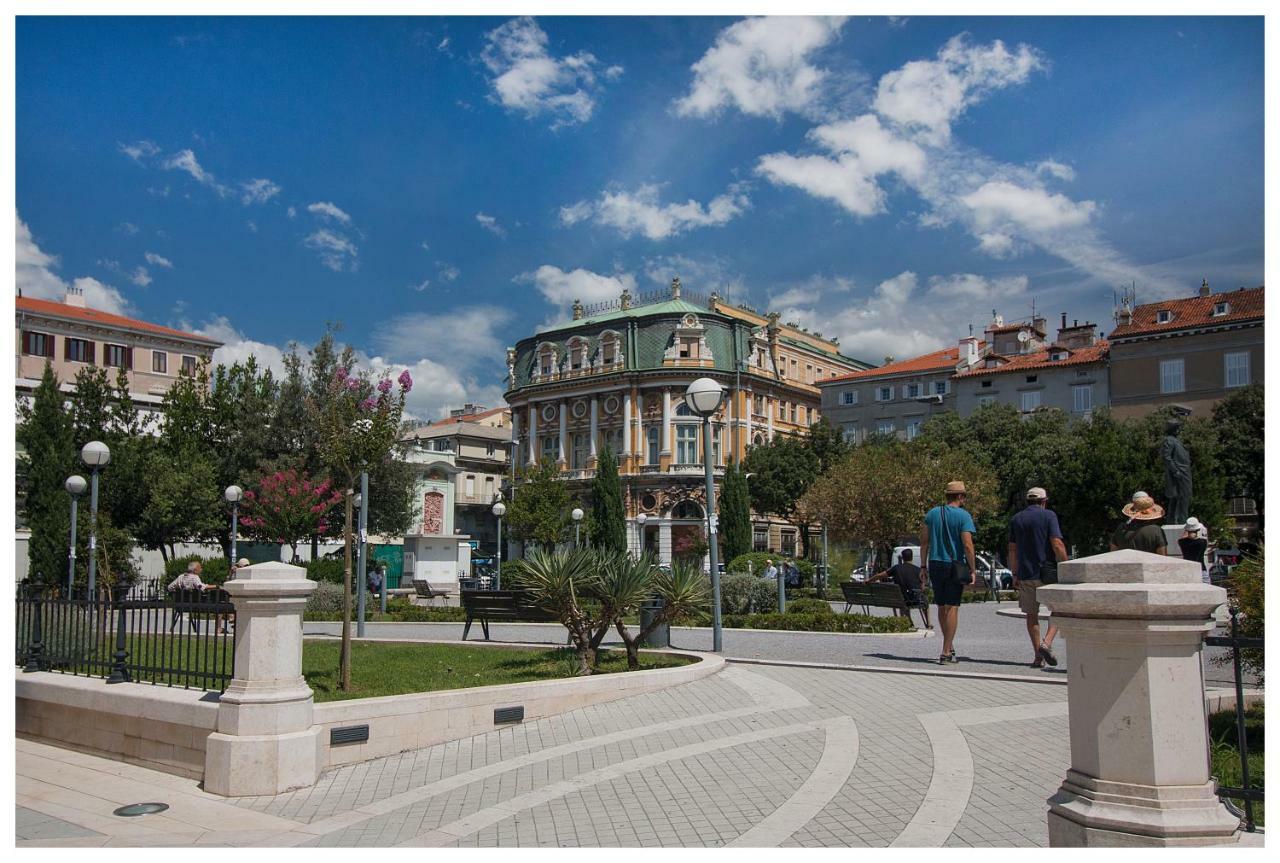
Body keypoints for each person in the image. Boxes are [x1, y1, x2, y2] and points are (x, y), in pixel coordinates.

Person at [1008, 487, 1067, 668]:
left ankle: (1037, 656)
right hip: (1047, 572)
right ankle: (1046, 643)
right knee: (1060, 609)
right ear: (1043, 501)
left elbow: (1012, 549)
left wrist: (1015, 573)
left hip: (1025, 573)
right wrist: (1066, 565)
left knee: (1031, 615)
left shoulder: (1016, 519)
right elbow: (1056, 543)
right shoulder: (1049, 516)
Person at [919, 480, 977, 664]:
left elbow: (924, 542)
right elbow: (967, 545)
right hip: (953, 564)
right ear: (960, 496)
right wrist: (973, 568)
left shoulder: (932, 514)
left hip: (935, 563)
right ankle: (945, 650)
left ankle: (949, 645)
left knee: (941, 606)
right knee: (952, 607)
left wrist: (922, 566)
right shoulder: (963, 516)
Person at [870, 548, 930, 630]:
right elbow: (922, 588)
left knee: (903, 598)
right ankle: (928, 623)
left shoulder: (896, 568)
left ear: (902, 558)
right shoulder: (918, 570)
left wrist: (868, 581)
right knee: (924, 600)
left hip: (900, 599)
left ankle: (907, 622)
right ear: (911, 557)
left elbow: (879, 576)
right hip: (914, 599)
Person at [167, 561, 207, 633]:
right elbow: (201, 587)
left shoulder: (181, 576)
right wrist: (215, 586)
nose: (201, 569)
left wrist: (177, 588)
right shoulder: (195, 577)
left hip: (180, 604)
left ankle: (172, 629)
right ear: (195, 570)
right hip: (194, 605)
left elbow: (169, 587)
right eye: (200, 568)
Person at [1178, 517, 1209, 582]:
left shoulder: (1181, 542)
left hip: (1188, 570)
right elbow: (1201, 538)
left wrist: (1187, 530)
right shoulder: (1203, 542)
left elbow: (1183, 537)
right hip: (1201, 570)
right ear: (1198, 530)